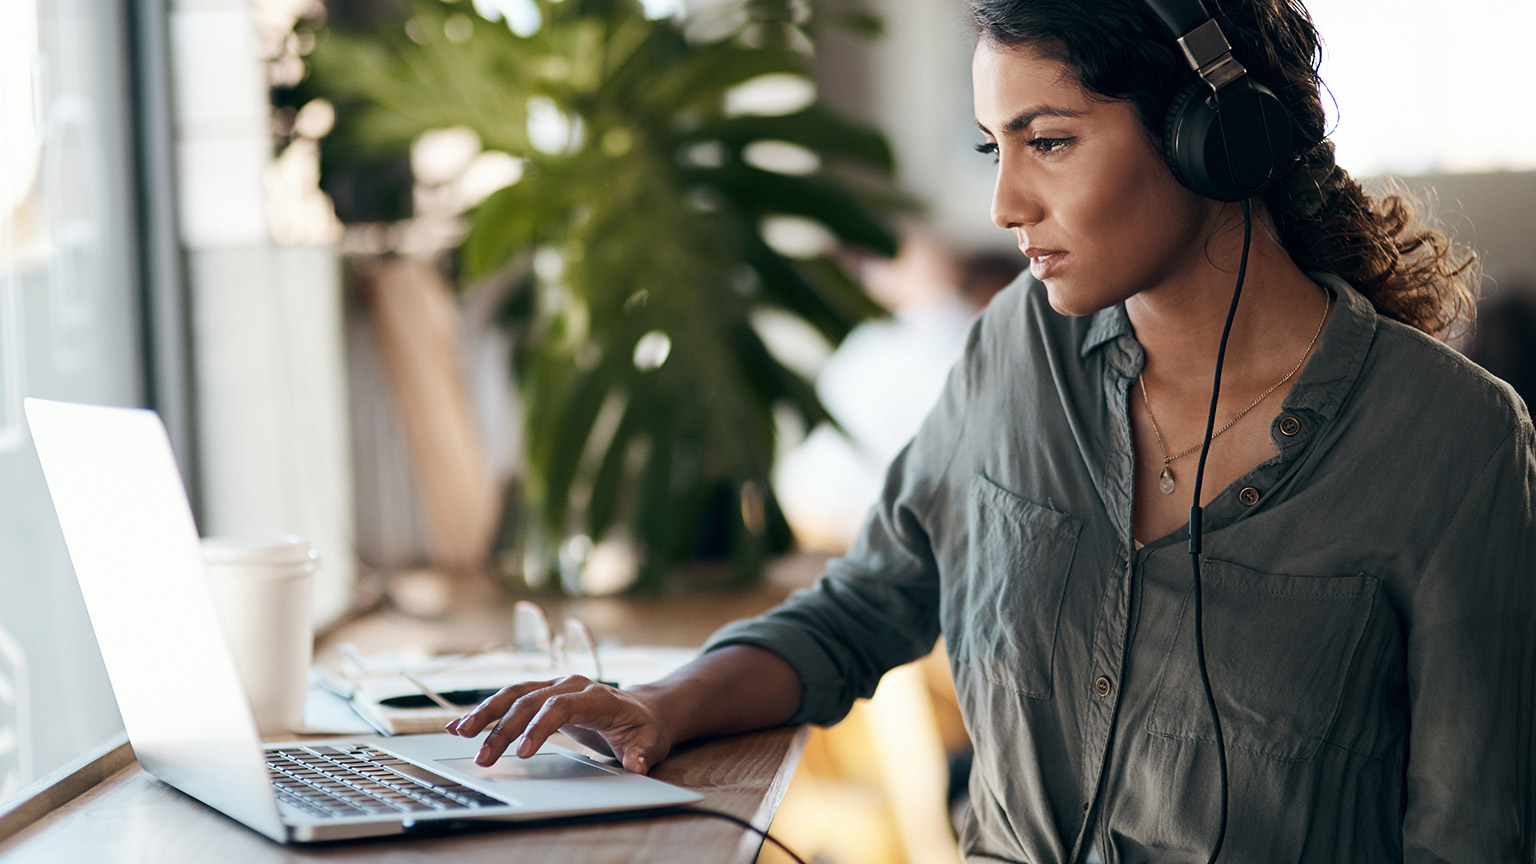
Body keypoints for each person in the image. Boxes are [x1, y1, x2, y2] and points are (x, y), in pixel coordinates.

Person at [447, 0, 1536, 860]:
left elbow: (1474, 840)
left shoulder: (1453, 440)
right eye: (992, 149)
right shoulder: (1015, 349)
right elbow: (867, 603)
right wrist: (658, 704)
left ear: (1216, 140)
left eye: (1049, 142)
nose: (1007, 203)